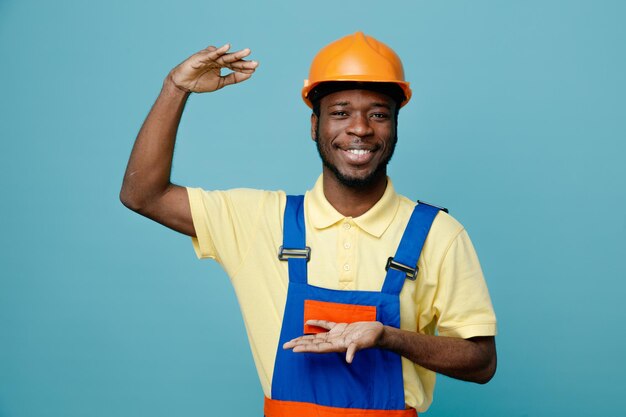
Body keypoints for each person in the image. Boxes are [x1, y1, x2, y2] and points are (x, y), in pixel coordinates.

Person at [120, 32, 497, 417]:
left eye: (379, 114)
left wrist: (389, 337)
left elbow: (481, 362)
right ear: (314, 126)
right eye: (341, 112)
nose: (361, 128)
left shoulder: (438, 235)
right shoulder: (258, 220)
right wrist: (175, 88)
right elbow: (143, 195)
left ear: (395, 127)